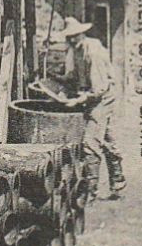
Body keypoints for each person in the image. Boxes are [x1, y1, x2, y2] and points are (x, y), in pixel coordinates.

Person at [51, 17, 125, 197]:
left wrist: (78, 100)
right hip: (94, 96)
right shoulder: (77, 51)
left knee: (91, 143)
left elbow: (99, 88)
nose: (70, 40)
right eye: (68, 37)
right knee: (107, 140)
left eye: (73, 36)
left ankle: (91, 192)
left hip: (103, 98)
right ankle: (118, 181)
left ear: (81, 34)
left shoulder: (94, 52)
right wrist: (54, 77)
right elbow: (75, 76)